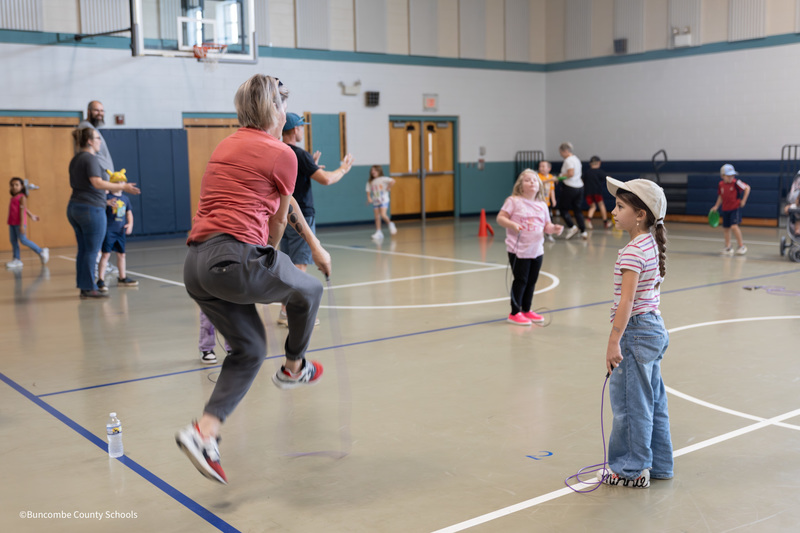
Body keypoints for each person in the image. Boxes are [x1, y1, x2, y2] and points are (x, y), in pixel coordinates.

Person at [176, 75, 332, 484]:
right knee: (310, 289)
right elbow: (279, 219)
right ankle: (294, 367)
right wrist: (274, 259)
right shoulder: (283, 153)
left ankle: (203, 433)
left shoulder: (227, 144)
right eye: (282, 106)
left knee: (248, 348)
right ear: (275, 112)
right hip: (236, 257)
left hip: (196, 265)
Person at [600, 177, 672, 489]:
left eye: (620, 206)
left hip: (636, 332)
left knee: (631, 404)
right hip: (653, 329)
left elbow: (627, 302)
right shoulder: (651, 244)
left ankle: (631, 470)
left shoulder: (632, 251)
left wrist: (613, 340)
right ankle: (659, 465)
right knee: (652, 400)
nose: (613, 211)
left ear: (640, 214)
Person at [277, 112, 353, 326]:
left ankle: (284, 311)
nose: (302, 130)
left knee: (289, 265)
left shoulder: (282, 152)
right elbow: (327, 180)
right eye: (301, 127)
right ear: (294, 130)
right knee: (300, 265)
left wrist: (311, 166)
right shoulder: (300, 154)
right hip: (301, 216)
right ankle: (295, 313)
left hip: (284, 216)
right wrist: (343, 169)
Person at [68, 127, 140, 299]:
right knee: (92, 250)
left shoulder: (76, 159)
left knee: (84, 250)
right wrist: (123, 187)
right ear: (89, 141)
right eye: (97, 138)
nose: (100, 142)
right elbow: (97, 183)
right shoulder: (90, 159)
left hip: (75, 207)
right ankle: (90, 287)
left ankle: (85, 286)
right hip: (90, 210)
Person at [496, 170, 563, 326]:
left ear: (539, 186)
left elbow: (547, 226)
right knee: (521, 280)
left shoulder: (542, 206)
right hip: (518, 250)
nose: (532, 182)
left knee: (532, 281)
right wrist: (512, 224)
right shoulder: (513, 201)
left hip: (537, 250)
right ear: (521, 185)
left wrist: (554, 229)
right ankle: (514, 312)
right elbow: (501, 218)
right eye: (527, 180)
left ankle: (526, 309)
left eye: (534, 180)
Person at [97, 189, 138, 291]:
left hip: (120, 231)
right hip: (108, 231)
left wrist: (130, 224)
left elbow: (129, 213)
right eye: (117, 182)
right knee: (106, 254)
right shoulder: (107, 197)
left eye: (121, 182)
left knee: (121, 254)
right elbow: (99, 207)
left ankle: (122, 277)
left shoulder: (125, 198)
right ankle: (100, 280)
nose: (119, 185)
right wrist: (106, 203)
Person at [6, 177, 48, 269]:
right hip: (12, 223)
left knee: (23, 240)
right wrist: (31, 215)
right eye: (12, 185)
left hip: (19, 223)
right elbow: (25, 209)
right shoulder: (13, 197)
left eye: (17, 185)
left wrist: (21, 225)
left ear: (21, 186)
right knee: (13, 241)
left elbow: (22, 211)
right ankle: (17, 259)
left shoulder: (22, 197)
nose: (14, 187)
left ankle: (41, 251)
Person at [710, 164, 750, 256]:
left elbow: (747, 188)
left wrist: (743, 201)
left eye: (732, 175)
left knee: (734, 226)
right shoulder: (721, 184)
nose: (731, 177)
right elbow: (720, 196)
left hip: (734, 208)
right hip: (725, 209)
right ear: (722, 176)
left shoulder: (736, 183)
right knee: (726, 228)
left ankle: (741, 246)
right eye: (728, 176)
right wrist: (716, 206)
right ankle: (728, 247)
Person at [556, 142, 587, 240]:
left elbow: (570, 173)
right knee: (577, 209)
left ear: (565, 151)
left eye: (561, 152)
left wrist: (559, 178)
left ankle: (572, 227)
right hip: (579, 187)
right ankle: (583, 231)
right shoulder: (576, 159)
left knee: (562, 208)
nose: (561, 155)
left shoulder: (568, 160)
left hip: (570, 187)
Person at [366, 165, 397, 241]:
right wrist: (369, 198)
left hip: (383, 199)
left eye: (375, 170)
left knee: (383, 214)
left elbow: (393, 181)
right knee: (377, 217)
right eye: (372, 170)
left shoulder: (383, 179)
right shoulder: (370, 182)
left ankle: (390, 224)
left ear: (379, 171)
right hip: (376, 200)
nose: (373, 172)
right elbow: (368, 191)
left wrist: (389, 187)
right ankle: (379, 232)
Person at [583, 156, 610, 229]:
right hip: (597, 192)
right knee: (601, 205)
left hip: (588, 193)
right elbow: (608, 178)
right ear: (599, 163)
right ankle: (605, 222)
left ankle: (588, 220)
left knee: (593, 207)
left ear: (590, 164)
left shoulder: (587, 173)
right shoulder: (600, 172)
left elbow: (583, 181)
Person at [537, 161, 558, 242]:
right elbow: (540, 183)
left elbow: (552, 190)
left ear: (549, 168)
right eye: (540, 166)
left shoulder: (550, 177)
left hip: (547, 204)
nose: (541, 168)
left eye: (543, 166)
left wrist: (553, 199)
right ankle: (539, 235)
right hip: (539, 203)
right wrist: (550, 180)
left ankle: (549, 234)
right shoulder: (538, 176)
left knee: (549, 219)